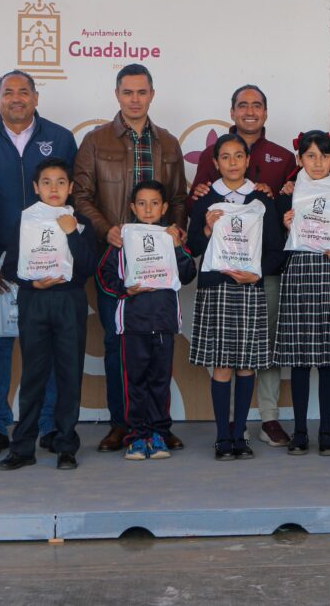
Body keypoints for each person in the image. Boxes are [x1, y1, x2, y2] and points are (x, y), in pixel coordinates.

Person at [0, 70, 78, 457]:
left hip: (50, 265)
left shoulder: (60, 137)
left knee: (45, 349)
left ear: (36, 97)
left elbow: (72, 197)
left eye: (23, 92)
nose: (16, 98)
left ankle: (47, 425)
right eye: (8, 92)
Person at [74, 63, 188, 453]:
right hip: (116, 260)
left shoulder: (169, 142)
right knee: (117, 345)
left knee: (158, 349)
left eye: (142, 92)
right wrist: (107, 230)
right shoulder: (95, 141)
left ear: (152, 95)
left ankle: (158, 425)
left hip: (158, 264)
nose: (135, 99)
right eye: (127, 92)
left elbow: (177, 199)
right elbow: (81, 196)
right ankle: (123, 425)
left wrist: (176, 233)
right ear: (117, 95)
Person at [187, 85, 297, 447]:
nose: (232, 162)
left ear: (248, 161)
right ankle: (224, 435)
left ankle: (247, 430)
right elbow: (194, 245)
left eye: (239, 157)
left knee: (251, 360)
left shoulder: (262, 198)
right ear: (214, 162)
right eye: (225, 157)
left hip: (252, 286)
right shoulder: (207, 198)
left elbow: (276, 249)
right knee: (222, 365)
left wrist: (258, 273)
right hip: (216, 288)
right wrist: (204, 226)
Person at [0, 158, 98, 471]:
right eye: (47, 182)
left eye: (61, 182)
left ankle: (66, 444)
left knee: (69, 374)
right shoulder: (25, 220)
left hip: (69, 300)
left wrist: (73, 234)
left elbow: (88, 266)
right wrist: (32, 281)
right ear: (35, 187)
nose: (54, 189)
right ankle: (23, 446)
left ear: (70, 188)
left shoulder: (80, 221)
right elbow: (10, 266)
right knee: (33, 375)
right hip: (34, 301)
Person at [96, 180, 197, 460]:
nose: (148, 208)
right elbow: (104, 275)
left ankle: (159, 434)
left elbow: (188, 274)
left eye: (155, 203)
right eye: (142, 203)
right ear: (132, 207)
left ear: (164, 207)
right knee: (135, 382)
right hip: (132, 323)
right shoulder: (123, 238)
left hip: (164, 321)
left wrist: (177, 247)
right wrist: (124, 290)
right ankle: (136, 436)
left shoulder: (170, 235)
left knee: (160, 381)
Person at [275, 130, 330, 456]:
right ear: (300, 160)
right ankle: (298, 432)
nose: (318, 163)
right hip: (298, 272)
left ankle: (325, 431)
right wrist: (284, 221)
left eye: (324, 156)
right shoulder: (288, 192)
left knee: (329, 358)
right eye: (310, 156)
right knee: (298, 358)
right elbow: (276, 234)